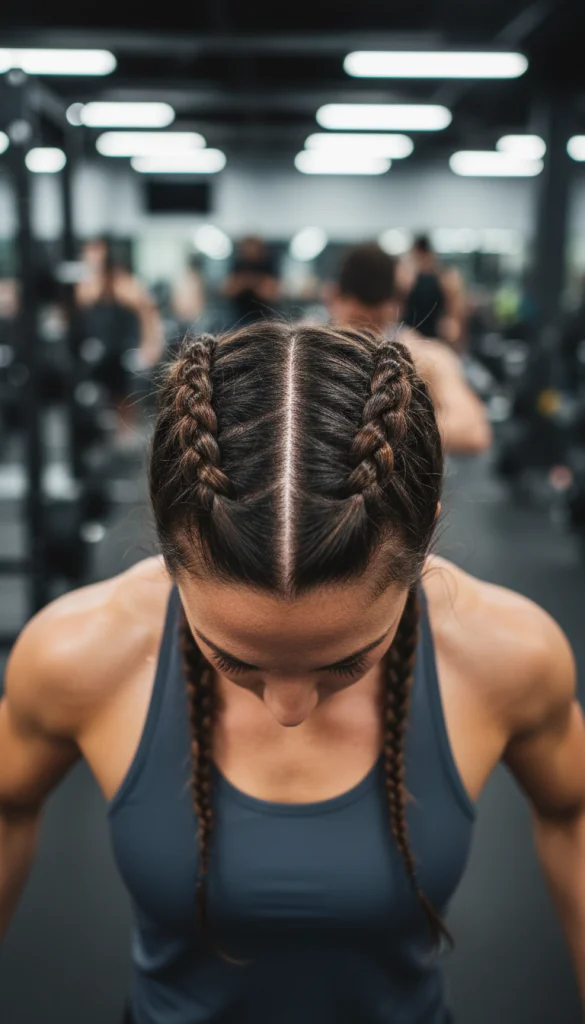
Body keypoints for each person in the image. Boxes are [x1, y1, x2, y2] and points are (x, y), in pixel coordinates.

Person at [2, 323, 585, 1024]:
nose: (287, 708)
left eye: (345, 660)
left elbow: (571, 814)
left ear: (423, 540)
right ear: (166, 542)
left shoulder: (509, 655)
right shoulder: (76, 654)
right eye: (233, 658)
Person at [329, 242, 491, 454]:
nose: (366, 334)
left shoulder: (422, 355)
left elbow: (473, 432)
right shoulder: (309, 348)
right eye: (357, 320)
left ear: (395, 307)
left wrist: (386, 427)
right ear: (333, 298)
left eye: (375, 322)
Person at [74, 238, 165, 438]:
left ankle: (124, 439)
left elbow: (149, 315)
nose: (92, 259)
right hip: (98, 354)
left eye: (96, 255)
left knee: (124, 399)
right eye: (89, 255)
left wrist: (151, 345)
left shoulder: (127, 285)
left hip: (124, 352)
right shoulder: (85, 286)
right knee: (92, 397)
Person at [399, 234, 467, 351]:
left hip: (434, 340)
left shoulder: (445, 279)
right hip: (410, 338)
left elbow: (454, 318)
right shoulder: (407, 278)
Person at [223, 235, 280, 325]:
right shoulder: (237, 265)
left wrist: (246, 282)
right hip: (238, 316)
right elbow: (229, 290)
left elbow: (270, 293)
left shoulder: (267, 266)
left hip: (263, 317)